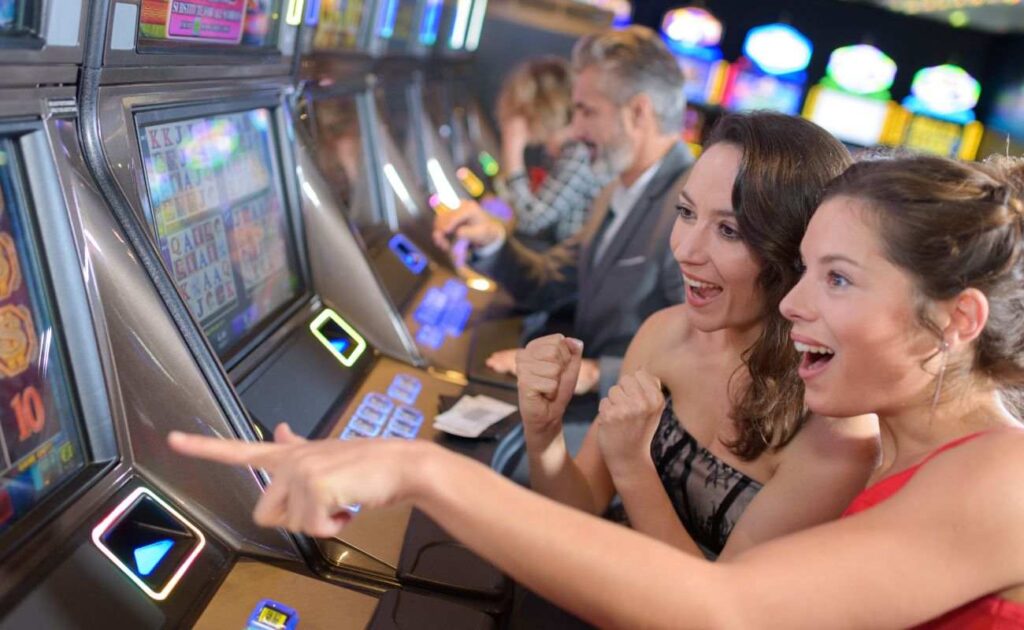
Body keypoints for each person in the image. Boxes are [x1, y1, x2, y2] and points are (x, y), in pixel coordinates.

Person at [171, 153, 1024, 628]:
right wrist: (542, 440)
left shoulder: (1002, 477)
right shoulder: (888, 442)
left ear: (954, 320)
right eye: (804, 272)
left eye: (837, 280)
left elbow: (724, 610)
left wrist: (422, 469)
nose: (795, 303)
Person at [513, 112, 878, 559]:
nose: (685, 250)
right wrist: (544, 429)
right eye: (686, 212)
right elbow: (580, 505)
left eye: (729, 230)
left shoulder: (838, 429)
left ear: (797, 253)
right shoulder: (662, 332)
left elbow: (722, 607)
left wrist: (633, 467)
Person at [437, 25, 692, 396]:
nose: (575, 130)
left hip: (632, 422)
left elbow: (707, 356)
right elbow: (550, 282)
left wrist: (593, 374)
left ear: (638, 112)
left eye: (586, 112)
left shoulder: (692, 208)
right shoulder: (615, 190)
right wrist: (494, 241)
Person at [496, 56, 606, 248]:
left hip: (571, 267)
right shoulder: (557, 151)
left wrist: (512, 150)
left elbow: (530, 221)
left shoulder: (578, 153)